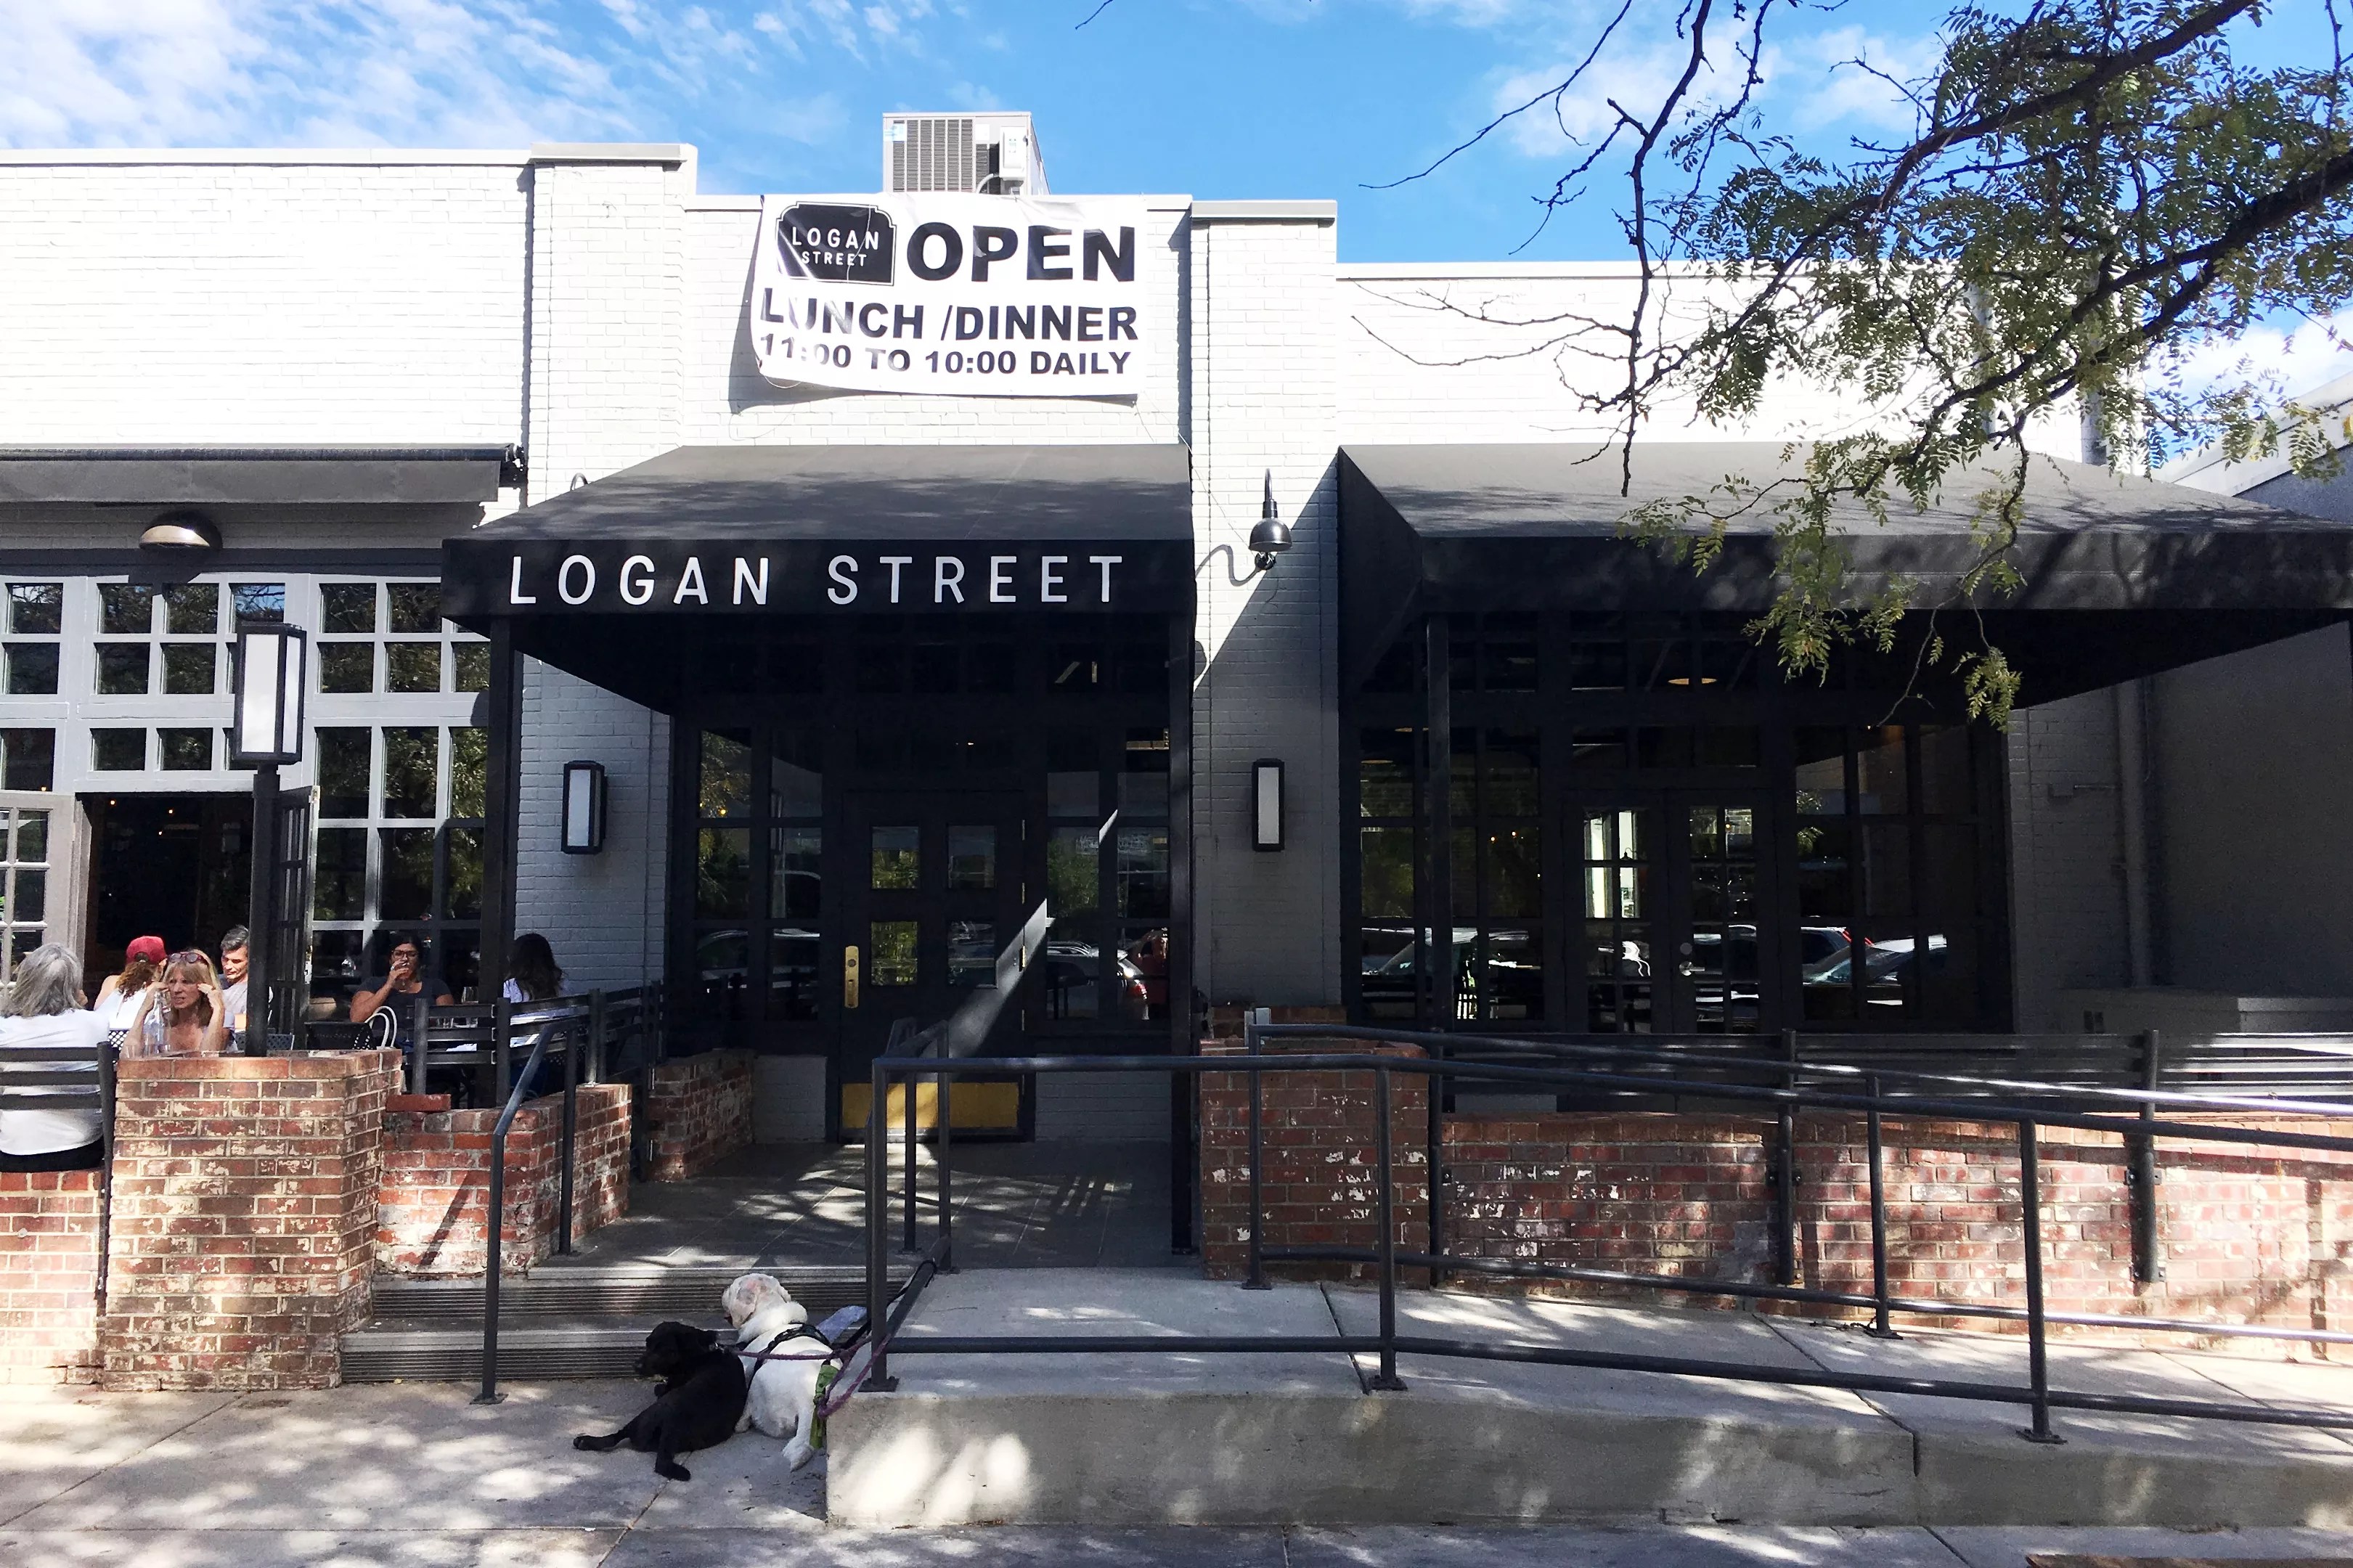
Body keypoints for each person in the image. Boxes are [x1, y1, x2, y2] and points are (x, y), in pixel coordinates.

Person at [0, 944, 109, 1173]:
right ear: (74, 985)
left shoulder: (5, 1030)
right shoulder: (96, 1024)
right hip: (80, 1151)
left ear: (26, 982)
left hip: (13, 1153)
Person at [349, 936, 454, 1053]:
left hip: (424, 1049)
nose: (405, 959)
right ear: (390, 959)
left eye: (411, 954)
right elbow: (357, 1018)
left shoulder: (436, 986)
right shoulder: (373, 984)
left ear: (419, 959)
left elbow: (447, 1024)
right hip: (382, 1048)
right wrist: (389, 985)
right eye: (399, 954)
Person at [123, 950, 231, 1059]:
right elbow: (128, 1058)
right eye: (172, 982)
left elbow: (209, 1061)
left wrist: (218, 1009)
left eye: (186, 982)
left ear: (204, 986)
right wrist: (143, 1010)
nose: (176, 989)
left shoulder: (220, 1019)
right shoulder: (161, 1024)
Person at [93, 935, 164, 1033]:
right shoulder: (160, 988)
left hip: (101, 1039)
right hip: (136, 1040)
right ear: (163, 963)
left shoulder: (110, 982)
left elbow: (97, 1012)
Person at [217, 926, 250, 1038]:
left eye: (236, 961)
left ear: (249, 962)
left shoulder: (256, 991)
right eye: (225, 959)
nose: (228, 966)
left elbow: (246, 1024)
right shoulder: (213, 981)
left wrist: (215, 1017)